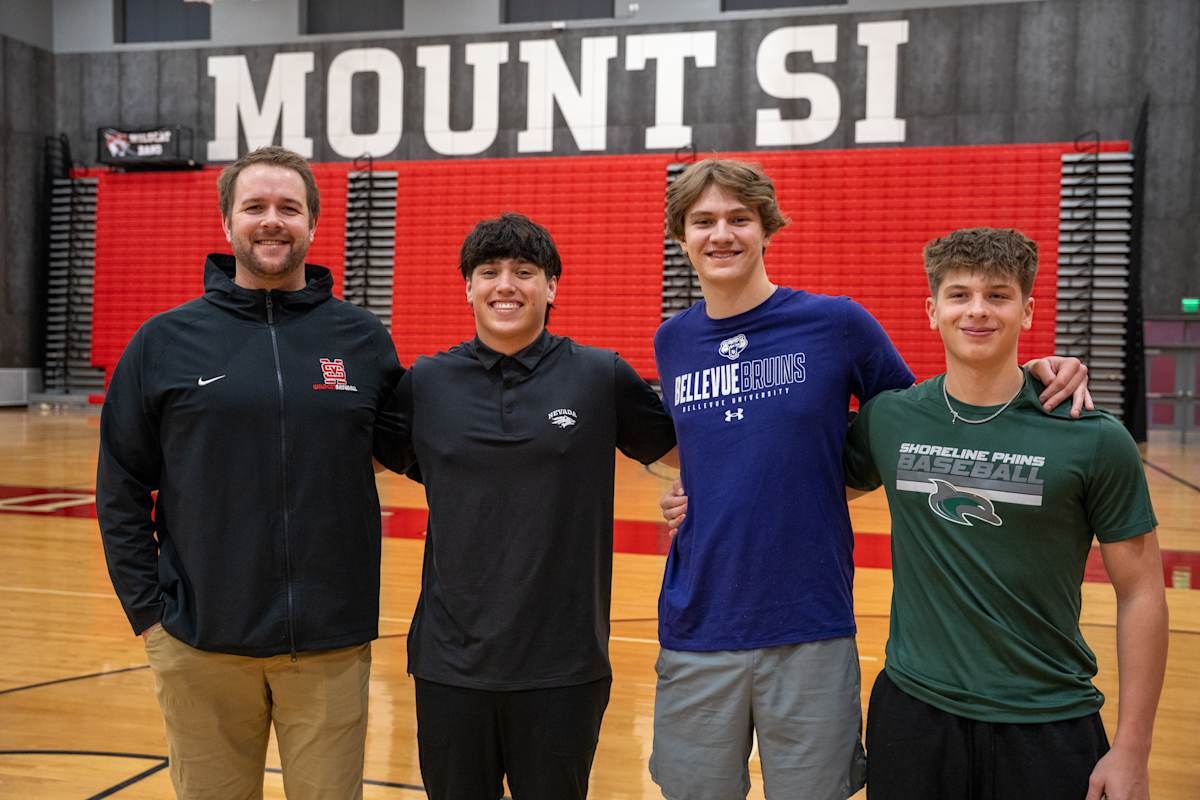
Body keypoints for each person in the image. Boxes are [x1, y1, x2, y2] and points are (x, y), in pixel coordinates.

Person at [650, 159, 1092, 800]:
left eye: (739, 219)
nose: (723, 234)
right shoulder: (673, 341)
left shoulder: (837, 324)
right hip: (696, 625)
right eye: (704, 222)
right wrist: (693, 490)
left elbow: (926, 419)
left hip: (811, 625)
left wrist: (1031, 372)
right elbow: (705, 447)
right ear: (682, 236)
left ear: (766, 228)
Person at [97, 146, 403, 799]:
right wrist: (150, 615)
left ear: (313, 225)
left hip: (329, 643)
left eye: (288, 208)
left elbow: (424, 450)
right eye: (255, 206)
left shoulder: (362, 341)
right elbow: (120, 484)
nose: (272, 221)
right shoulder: (163, 342)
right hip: (201, 641)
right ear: (226, 221)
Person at [842, 227, 1167, 800]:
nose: (978, 310)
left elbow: (1141, 591)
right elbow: (801, 488)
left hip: (1047, 717)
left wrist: (1133, 748)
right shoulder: (890, 418)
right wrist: (699, 493)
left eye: (998, 295)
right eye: (960, 294)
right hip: (915, 714)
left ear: (1028, 309)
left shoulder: (1091, 437)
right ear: (932, 309)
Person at [372, 212, 677, 800]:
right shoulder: (428, 381)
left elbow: (686, 453)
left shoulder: (599, 376)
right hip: (449, 664)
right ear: (468, 286)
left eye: (524, 271)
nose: (505, 285)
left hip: (562, 666)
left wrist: (695, 491)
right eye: (488, 272)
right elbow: (359, 460)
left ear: (551, 286)